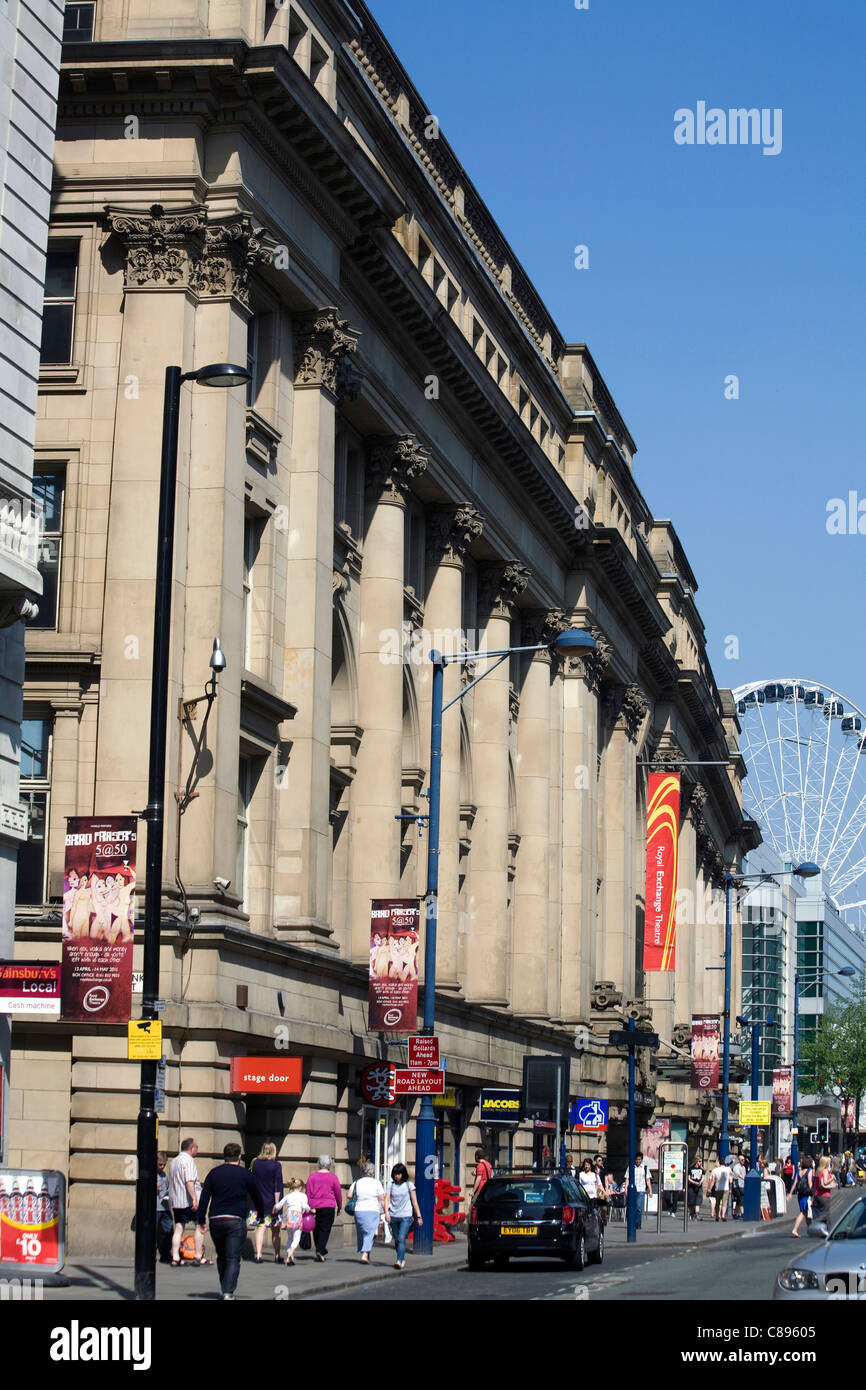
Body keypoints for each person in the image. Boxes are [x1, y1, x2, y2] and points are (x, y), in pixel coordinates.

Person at [196, 1142, 264, 1300]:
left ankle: (224, 1285)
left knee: (222, 1255)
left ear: (224, 1156)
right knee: (233, 1257)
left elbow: (205, 1197)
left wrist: (201, 1219)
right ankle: (227, 1291)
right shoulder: (245, 1174)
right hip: (235, 1219)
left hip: (216, 1219)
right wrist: (260, 1214)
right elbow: (256, 1195)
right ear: (239, 1156)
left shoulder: (213, 1173)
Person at [169, 1137, 209, 1266]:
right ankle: (198, 1255)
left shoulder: (174, 1161)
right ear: (192, 1149)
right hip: (189, 1201)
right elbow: (189, 1182)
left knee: (179, 1227)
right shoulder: (189, 1161)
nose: (197, 1150)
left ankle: (175, 1257)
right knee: (200, 1226)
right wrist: (194, 1199)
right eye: (196, 1148)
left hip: (177, 1200)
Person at [249, 1142, 284, 1263]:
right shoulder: (276, 1165)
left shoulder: (256, 1163)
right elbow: (277, 1186)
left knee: (260, 1228)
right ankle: (277, 1255)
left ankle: (258, 1254)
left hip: (257, 1201)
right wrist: (277, 1203)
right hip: (270, 1202)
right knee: (276, 1230)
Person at [384, 1163, 422, 1269]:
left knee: (401, 1238)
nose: (397, 1176)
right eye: (395, 1174)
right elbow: (386, 1199)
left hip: (406, 1216)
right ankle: (401, 1257)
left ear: (403, 1174)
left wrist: (419, 1216)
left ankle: (399, 1260)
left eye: (399, 1174)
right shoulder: (390, 1185)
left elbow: (414, 1201)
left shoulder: (408, 1185)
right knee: (397, 1239)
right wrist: (386, 1213)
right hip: (393, 1216)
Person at [306, 1154, 342, 1262]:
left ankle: (319, 1248)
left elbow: (307, 1193)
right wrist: (339, 1206)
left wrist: (308, 1206)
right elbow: (338, 1193)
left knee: (316, 1229)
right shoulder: (333, 1177)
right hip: (328, 1206)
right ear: (329, 1164)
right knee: (325, 1229)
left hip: (314, 1206)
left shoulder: (312, 1177)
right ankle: (320, 1250)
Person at [348, 1161, 385, 1263]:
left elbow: (349, 1195)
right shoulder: (376, 1183)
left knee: (361, 1232)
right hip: (372, 1210)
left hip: (359, 1210)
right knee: (370, 1232)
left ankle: (365, 1252)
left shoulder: (357, 1182)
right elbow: (382, 1199)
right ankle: (365, 1253)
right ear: (372, 1172)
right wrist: (386, 1211)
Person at [273, 1178, 310, 1265]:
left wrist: (275, 1208)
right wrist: (310, 1209)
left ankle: (290, 1257)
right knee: (297, 1237)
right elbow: (305, 1206)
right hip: (297, 1215)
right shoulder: (303, 1196)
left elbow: (278, 1206)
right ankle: (290, 1253)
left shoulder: (288, 1196)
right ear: (301, 1188)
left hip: (288, 1215)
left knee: (290, 1237)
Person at [624, 1152, 652, 1228]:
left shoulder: (644, 1168)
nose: (638, 1161)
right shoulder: (630, 1167)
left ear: (641, 1160)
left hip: (641, 1190)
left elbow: (648, 1180)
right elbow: (627, 1178)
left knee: (638, 1207)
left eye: (639, 1159)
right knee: (631, 1207)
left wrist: (650, 1191)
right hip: (632, 1190)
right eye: (636, 1159)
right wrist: (626, 1188)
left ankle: (638, 1223)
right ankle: (631, 1223)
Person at [811, 1155, 837, 1233]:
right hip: (824, 1195)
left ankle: (823, 1230)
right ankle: (829, 1231)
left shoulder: (818, 1171)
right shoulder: (825, 1171)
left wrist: (814, 1196)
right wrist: (832, 1178)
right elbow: (825, 1182)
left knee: (822, 1213)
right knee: (826, 1214)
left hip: (817, 1195)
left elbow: (815, 1185)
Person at [156, 1151, 173, 1263]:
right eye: (160, 1164)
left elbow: (168, 1187)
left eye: (164, 1165)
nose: (162, 1167)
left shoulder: (165, 1175)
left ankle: (166, 1254)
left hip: (165, 1207)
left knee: (169, 1230)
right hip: (155, 1208)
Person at [791, 1156, 815, 1237]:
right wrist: (814, 1193)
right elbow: (810, 1184)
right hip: (807, 1195)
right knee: (803, 1212)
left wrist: (790, 1193)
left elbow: (795, 1183)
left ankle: (810, 1230)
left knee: (807, 1212)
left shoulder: (799, 1172)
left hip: (800, 1195)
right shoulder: (809, 1171)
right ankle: (795, 1229)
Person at [708, 1157, 730, 1221]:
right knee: (724, 1203)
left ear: (719, 1162)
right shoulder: (728, 1169)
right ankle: (723, 1215)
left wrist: (709, 1188)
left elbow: (713, 1180)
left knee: (717, 1202)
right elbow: (732, 1176)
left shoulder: (715, 1170)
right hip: (726, 1188)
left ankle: (717, 1215)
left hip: (718, 1188)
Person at [687, 1156, 704, 1220]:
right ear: (696, 1161)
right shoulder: (691, 1168)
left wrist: (700, 1182)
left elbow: (703, 1177)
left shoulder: (702, 1169)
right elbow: (689, 1178)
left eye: (701, 1161)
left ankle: (696, 1214)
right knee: (691, 1201)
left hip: (699, 1187)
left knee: (698, 1201)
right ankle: (691, 1214)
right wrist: (694, 1182)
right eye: (699, 1161)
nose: (701, 1163)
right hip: (691, 1186)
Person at [731, 1154, 746, 1219]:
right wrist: (742, 1177)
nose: (743, 1161)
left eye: (744, 1159)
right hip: (737, 1186)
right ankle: (742, 1213)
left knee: (738, 1200)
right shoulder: (736, 1167)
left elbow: (744, 1175)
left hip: (742, 1185)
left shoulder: (743, 1167)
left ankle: (735, 1213)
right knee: (740, 1199)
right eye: (742, 1160)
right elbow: (737, 1174)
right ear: (739, 1160)